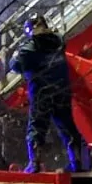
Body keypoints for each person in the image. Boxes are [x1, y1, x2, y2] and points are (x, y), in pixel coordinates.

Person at [9, 14, 86, 172]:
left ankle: (35, 163)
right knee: (67, 127)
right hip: (62, 90)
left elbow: (15, 65)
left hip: (41, 93)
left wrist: (16, 53)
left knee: (37, 127)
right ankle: (77, 162)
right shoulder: (58, 40)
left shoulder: (29, 49)